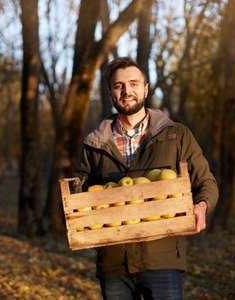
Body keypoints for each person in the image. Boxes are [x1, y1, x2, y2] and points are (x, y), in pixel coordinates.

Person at [75, 57, 218, 300]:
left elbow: (206, 182)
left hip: (161, 257)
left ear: (145, 89)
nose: (126, 91)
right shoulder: (94, 143)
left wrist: (201, 206)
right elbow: (80, 191)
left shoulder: (176, 135)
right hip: (114, 261)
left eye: (133, 83)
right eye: (119, 85)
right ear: (110, 92)